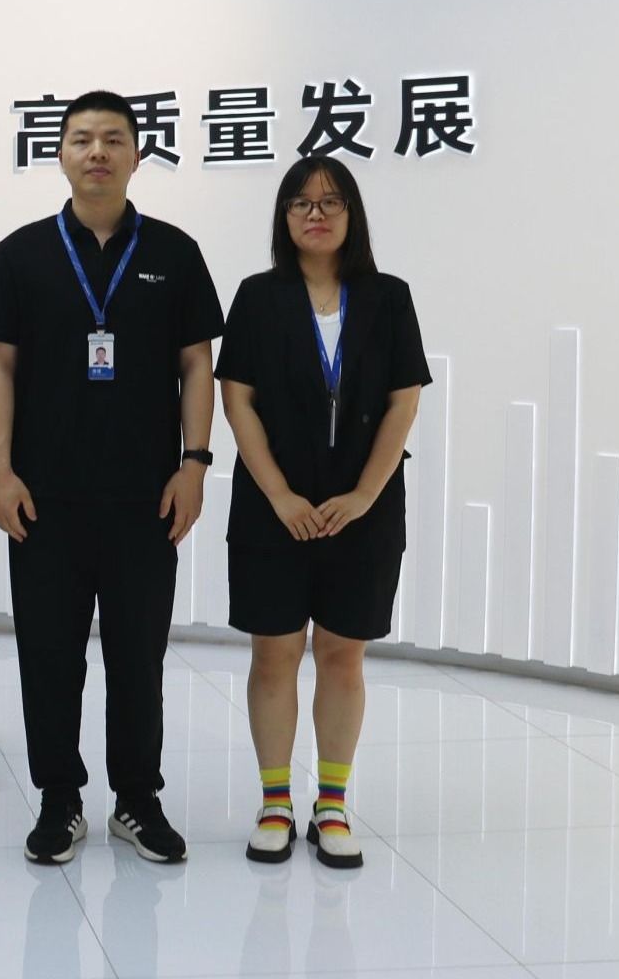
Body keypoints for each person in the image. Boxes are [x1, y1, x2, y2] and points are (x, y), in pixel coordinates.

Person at [0, 89, 224, 866]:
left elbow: (197, 365)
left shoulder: (174, 252)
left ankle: (137, 800)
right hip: (43, 498)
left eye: (113, 139)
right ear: (59, 154)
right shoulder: (22, 253)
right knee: (50, 657)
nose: (97, 153)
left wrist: (194, 464)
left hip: (146, 497)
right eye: (81, 139)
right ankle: (59, 800)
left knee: (137, 657)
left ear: (136, 155)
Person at [216, 156, 429, 870]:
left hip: (362, 511)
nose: (316, 214)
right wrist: (279, 495)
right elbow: (238, 400)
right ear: (283, 217)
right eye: (301, 202)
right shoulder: (258, 297)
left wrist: (365, 494)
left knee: (342, 654)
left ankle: (331, 804)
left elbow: (403, 400)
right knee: (274, 653)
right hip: (272, 508)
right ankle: (275, 802)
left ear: (352, 215)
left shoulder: (389, 298)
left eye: (331, 201)